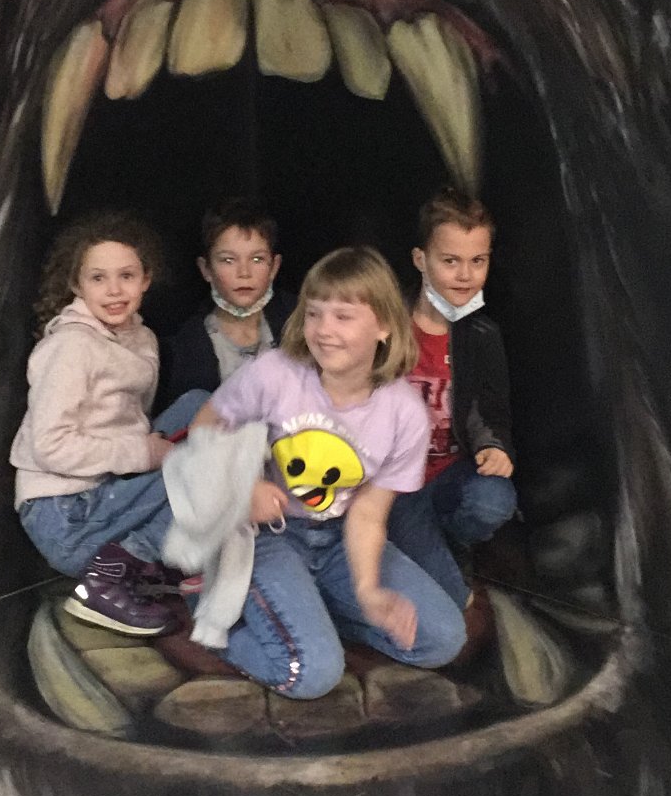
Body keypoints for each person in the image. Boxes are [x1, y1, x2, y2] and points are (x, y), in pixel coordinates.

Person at [190, 246, 467, 696]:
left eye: (343, 317)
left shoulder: (404, 413)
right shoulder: (275, 373)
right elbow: (204, 426)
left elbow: (368, 514)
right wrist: (245, 487)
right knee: (313, 675)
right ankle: (211, 617)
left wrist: (369, 591)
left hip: (337, 537)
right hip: (266, 538)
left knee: (443, 639)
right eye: (315, 314)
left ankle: (315, 612)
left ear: (384, 326)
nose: (324, 330)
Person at [10, 211, 205, 636]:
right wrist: (147, 455)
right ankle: (109, 577)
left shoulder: (142, 338)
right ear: (77, 285)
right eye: (98, 278)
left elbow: (130, 423)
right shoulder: (71, 347)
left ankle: (160, 557)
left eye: (126, 276)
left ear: (146, 279)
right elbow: (51, 446)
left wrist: (149, 455)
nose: (114, 290)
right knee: (203, 464)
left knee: (201, 408)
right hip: (65, 514)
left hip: (105, 490)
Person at [387, 192, 517, 616]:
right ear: (420, 259)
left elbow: (492, 411)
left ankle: (449, 540)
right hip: (394, 488)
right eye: (450, 261)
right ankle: (409, 545)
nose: (465, 275)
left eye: (477, 261)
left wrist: (494, 446)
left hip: (448, 477)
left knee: (494, 500)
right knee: (454, 602)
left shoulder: (482, 335)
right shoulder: (386, 325)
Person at [161, 199, 296, 403]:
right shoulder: (186, 347)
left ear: (274, 267)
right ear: (206, 269)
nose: (244, 273)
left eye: (257, 259)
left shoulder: (302, 322)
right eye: (228, 260)